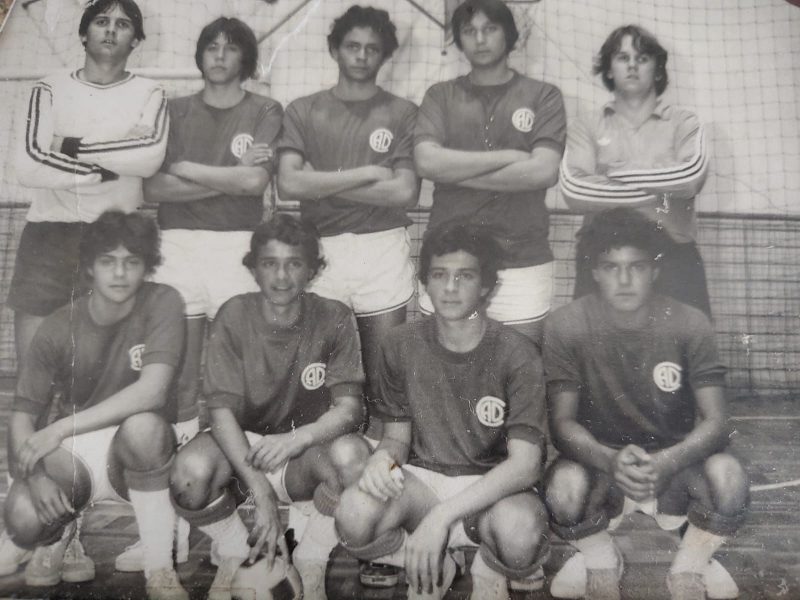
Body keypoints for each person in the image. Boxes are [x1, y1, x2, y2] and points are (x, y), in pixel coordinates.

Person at [5, 0, 167, 577]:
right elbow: (28, 164)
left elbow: (148, 155)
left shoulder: (149, 92)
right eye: (101, 20)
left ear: (135, 40)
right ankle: (33, 524)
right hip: (47, 241)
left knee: (94, 384)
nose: (110, 30)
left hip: (111, 243)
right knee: (36, 385)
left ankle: (66, 536)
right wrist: (109, 161)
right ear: (83, 31)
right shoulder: (47, 87)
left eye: (123, 23)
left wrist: (71, 149)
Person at [333, 223, 550, 600]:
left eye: (464, 276)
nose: (450, 288)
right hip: (423, 485)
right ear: (425, 284)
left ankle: (485, 562)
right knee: (352, 512)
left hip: (489, 490)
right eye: (439, 275)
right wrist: (380, 461)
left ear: (487, 286)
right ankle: (426, 557)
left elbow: (526, 465)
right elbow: (396, 438)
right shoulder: (399, 344)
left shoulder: (518, 353)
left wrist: (441, 518)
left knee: (520, 534)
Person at [543, 207, 748, 600]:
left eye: (635, 267)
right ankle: (600, 557)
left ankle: (689, 566)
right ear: (595, 272)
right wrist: (607, 460)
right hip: (604, 470)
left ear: (654, 270)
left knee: (730, 476)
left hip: (673, 470)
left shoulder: (690, 323)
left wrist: (669, 460)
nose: (624, 280)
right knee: (563, 487)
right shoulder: (565, 324)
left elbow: (718, 420)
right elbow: (563, 424)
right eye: (611, 267)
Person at [139, 18, 282, 571]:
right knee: (175, 375)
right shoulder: (172, 109)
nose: (220, 54)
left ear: (246, 57)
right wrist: (226, 172)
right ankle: (167, 524)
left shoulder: (265, 109)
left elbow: (254, 185)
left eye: (231, 47)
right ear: (200, 55)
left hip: (237, 247)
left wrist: (190, 170)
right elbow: (153, 187)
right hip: (176, 245)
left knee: (239, 372)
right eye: (211, 46)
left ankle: (236, 498)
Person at [169, 214, 365, 600]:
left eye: (294, 264)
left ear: (312, 269)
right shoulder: (233, 314)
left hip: (304, 453)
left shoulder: (334, 316)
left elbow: (350, 410)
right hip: (245, 450)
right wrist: (259, 490)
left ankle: (311, 559)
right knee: (188, 475)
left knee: (354, 460)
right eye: (270, 264)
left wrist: (296, 440)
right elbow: (220, 411)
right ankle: (235, 550)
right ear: (254, 269)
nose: (281, 276)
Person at [0, 211, 188, 600]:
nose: (119, 274)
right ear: (89, 268)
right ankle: (63, 535)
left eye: (131, 262)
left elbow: (151, 393)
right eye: (107, 261)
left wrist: (58, 429)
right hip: (79, 454)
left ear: (147, 267)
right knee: (21, 518)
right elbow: (20, 419)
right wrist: (34, 477)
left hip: (139, 458)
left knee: (145, 426)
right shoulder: (58, 324)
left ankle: (159, 568)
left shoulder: (164, 301)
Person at [277, 5, 420, 433]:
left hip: (382, 247)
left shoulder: (402, 112)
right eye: (352, 46)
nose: (361, 55)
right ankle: (319, 472)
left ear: (384, 56)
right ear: (334, 50)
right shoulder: (303, 110)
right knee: (320, 374)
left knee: (382, 371)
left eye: (372, 49)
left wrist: (321, 181)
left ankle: (379, 463)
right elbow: (289, 184)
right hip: (321, 247)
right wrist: (366, 174)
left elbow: (404, 191)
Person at [414, 0, 566, 345]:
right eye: (470, 31)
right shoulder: (440, 96)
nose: (480, 39)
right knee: (445, 374)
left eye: (490, 29)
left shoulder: (543, 96)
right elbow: (426, 163)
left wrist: (454, 171)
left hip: (522, 260)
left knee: (521, 372)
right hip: (449, 262)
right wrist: (511, 157)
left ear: (509, 35)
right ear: (459, 40)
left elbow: (543, 171)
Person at [559, 25, 711, 316]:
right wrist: (661, 195)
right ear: (609, 69)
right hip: (602, 256)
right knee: (596, 356)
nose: (631, 65)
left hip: (673, 255)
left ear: (657, 69)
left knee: (682, 354)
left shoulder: (684, 122)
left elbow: (690, 178)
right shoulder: (587, 125)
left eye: (641, 58)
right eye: (622, 57)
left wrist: (613, 173)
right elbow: (574, 191)